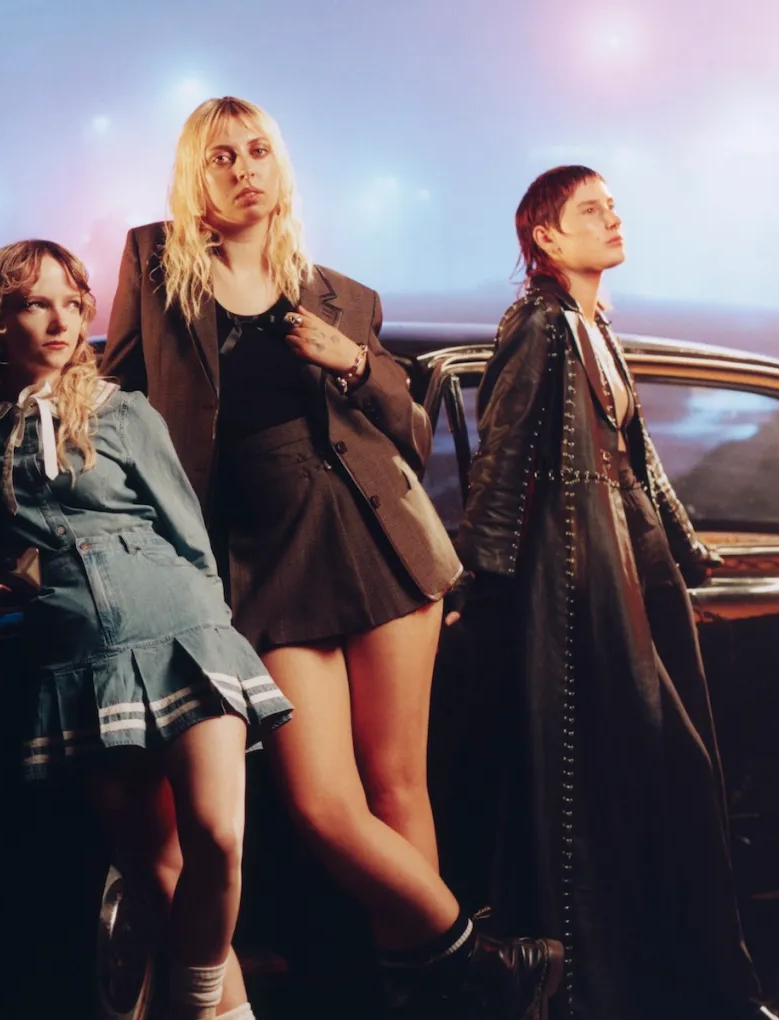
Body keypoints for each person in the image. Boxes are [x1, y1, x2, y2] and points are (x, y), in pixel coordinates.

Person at [102, 95, 562, 1018]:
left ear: (282, 166)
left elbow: (415, 430)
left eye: (259, 151)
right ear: (198, 173)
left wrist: (352, 361)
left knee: (399, 788)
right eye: (222, 155)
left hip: (377, 540)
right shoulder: (157, 266)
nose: (244, 169)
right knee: (321, 804)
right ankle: (482, 964)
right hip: (258, 563)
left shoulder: (343, 296)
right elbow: (115, 396)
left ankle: (426, 998)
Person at [0, 240, 291, 1020]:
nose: (61, 319)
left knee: (220, 839)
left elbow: (189, 535)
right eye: (37, 303)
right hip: (79, 656)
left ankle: (192, 1002)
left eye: (73, 304)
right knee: (155, 872)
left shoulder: (125, 412)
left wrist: (214, 630)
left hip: (181, 629)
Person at [456, 164, 774, 1020]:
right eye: (591, 209)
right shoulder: (540, 325)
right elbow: (505, 454)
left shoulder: (594, 325)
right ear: (547, 238)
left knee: (670, 770)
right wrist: (479, 582)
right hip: (581, 578)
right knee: (604, 785)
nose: (612, 216)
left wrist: (689, 549)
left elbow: (636, 457)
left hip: (628, 566)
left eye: (613, 204)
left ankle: (669, 984)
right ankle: (594, 992)